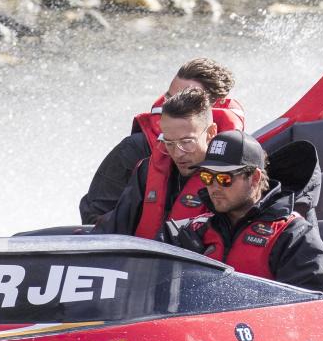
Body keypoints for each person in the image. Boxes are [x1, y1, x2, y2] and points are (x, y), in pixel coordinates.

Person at [79, 58, 245, 225]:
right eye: (169, 97)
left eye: (186, 98)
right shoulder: (136, 150)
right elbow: (93, 216)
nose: (171, 105)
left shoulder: (240, 159)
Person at [169, 130, 323, 294]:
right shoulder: (192, 232)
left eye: (224, 178)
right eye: (206, 177)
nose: (213, 186)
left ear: (255, 177)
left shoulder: (295, 237)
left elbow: (309, 309)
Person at [93, 88, 220, 237]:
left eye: (186, 142)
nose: (178, 153)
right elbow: (114, 227)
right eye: (169, 143)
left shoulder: (229, 180)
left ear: (211, 133)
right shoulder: (146, 171)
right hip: (147, 259)